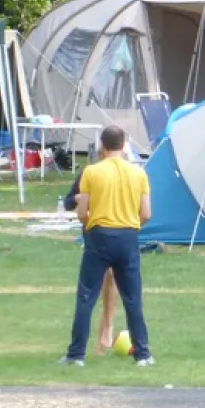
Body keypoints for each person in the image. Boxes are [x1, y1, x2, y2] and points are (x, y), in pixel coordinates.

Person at [61, 125, 154, 366]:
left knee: (86, 297)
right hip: (127, 236)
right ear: (124, 146)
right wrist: (132, 225)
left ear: (102, 146)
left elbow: (81, 211)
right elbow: (146, 212)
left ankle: (76, 354)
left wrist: (93, 223)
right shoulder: (139, 173)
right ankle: (143, 354)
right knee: (133, 298)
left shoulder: (92, 172)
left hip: (99, 235)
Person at [62, 171, 121, 355]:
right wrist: (78, 198)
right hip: (94, 233)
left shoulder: (123, 174)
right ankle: (91, 340)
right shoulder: (88, 174)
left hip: (117, 230)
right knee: (94, 285)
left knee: (111, 277)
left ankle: (107, 330)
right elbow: (68, 202)